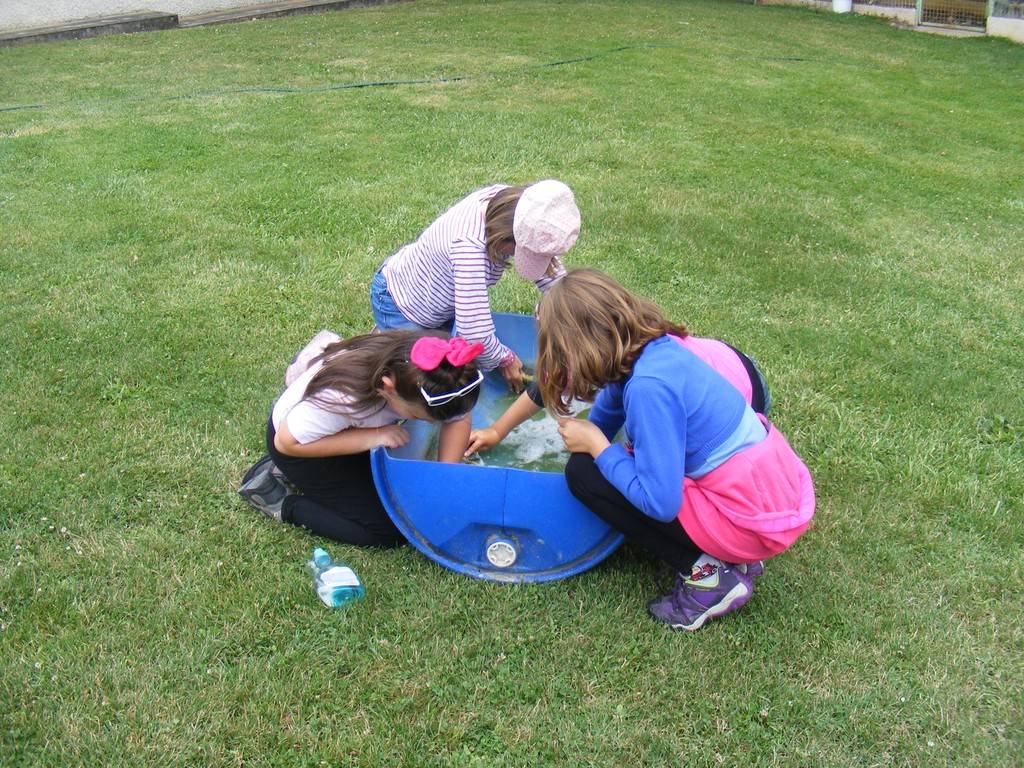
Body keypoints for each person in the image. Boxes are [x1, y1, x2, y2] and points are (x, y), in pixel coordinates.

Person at [535, 269, 815, 631]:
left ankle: (709, 577)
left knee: (583, 474)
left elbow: (660, 503)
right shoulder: (653, 352)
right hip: (769, 497)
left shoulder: (649, 388)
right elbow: (611, 404)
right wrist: (594, 435)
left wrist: (599, 447)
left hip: (750, 522)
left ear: (581, 349)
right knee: (600, 464)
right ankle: (733, 557)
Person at [238, 331, 484, 547]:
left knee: (403, 496)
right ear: (388, 387)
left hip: (341, 431)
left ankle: (303, 476)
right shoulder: (344, 397)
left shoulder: (438, 373)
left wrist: (444, 475)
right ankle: (281, 501)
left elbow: (457, 417)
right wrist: (374, 436)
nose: (429, 424)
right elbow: (286, 443)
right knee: (390, 528)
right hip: (298, 448)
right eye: (419, 417)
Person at [370, 180, 580, 392]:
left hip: (441, 297)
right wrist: (504, 359)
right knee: (419, 380)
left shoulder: (511, 206)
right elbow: (474, 333)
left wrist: (571, 309)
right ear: (504, 239)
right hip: (403, 305)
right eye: (520, 252)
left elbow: (551, 276)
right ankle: (381, 347)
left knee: (450, 356)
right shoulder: (469, 249)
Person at [464, 335, 771, 457]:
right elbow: (547, 387)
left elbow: (659, 490)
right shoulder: (611, 349)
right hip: (721, 357)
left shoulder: (645, 392)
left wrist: (601, 450)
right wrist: (497, 430)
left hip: (742, 394)